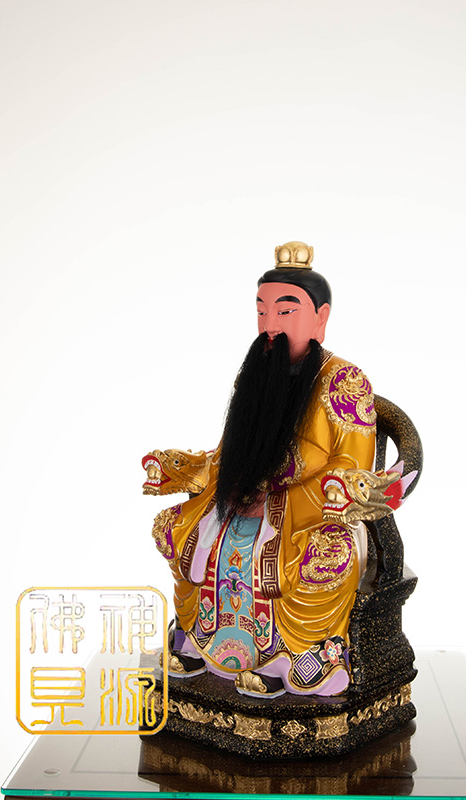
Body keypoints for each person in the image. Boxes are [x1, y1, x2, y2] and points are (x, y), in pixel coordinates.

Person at [144, 241, 378, 697]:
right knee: (177, 531)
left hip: (311, 512)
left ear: (321, 318)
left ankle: (302, 653)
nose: (270, 326)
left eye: (285, 312)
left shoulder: (344, 382)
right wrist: (191, 470)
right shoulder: (253, 374)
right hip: (242, 498)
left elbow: (353, 467)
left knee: (321, 557)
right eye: (261, 311)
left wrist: (281, 493)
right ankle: (195, 637)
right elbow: (226, 451)